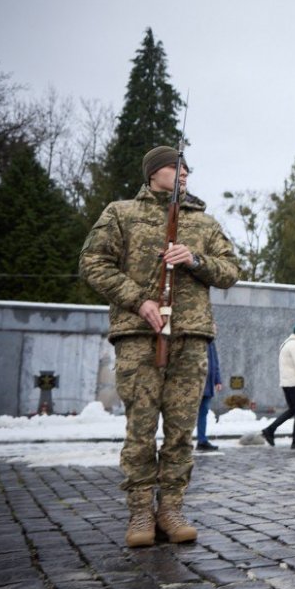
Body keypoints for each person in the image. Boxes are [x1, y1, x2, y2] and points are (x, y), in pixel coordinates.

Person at [79, 145, 240, 548]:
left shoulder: (203, 222)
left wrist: (196, 260)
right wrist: (138, 300)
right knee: (141, 428)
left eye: (186, 166)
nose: (184, 171)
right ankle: (139, 512)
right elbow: (93, 263)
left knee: (182, 431)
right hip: (139, 337)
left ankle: (170, 507)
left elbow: (231, 271)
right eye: (175, 165)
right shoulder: (121, 213)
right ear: (153, 172)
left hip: (190, 337)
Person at [196, 331, 222, 451]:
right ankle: (180, 441)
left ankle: (202, 440)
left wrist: (217, 380)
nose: (215, 329)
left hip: (208, 383)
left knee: (203, 412)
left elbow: (215, 362)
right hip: (196, 383)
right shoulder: (198, 340)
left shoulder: (211, 342)